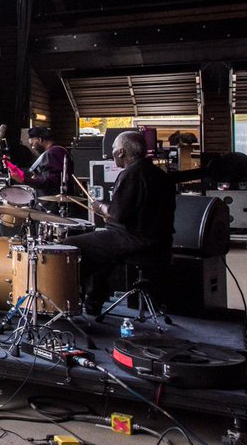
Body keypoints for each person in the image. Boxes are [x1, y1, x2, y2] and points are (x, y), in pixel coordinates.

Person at [67, 131, 176, 313]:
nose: (111, 154)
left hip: (134, 238)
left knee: (72, 245)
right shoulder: (159, 174)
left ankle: (70, 300)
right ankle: (92, 302)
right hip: (160, 240)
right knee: (99, 248)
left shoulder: (131, 174)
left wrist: (100, 207)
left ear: (121, 152)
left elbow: (118, 214)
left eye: (113, 149)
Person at [11, 127, 73, 198]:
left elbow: (51, 181)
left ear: (40, 140)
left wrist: (25, 180)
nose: (33, 148)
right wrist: (37, 177)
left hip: (52, 201)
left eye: (32, 144)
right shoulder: (58, 150)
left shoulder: (52, 153)